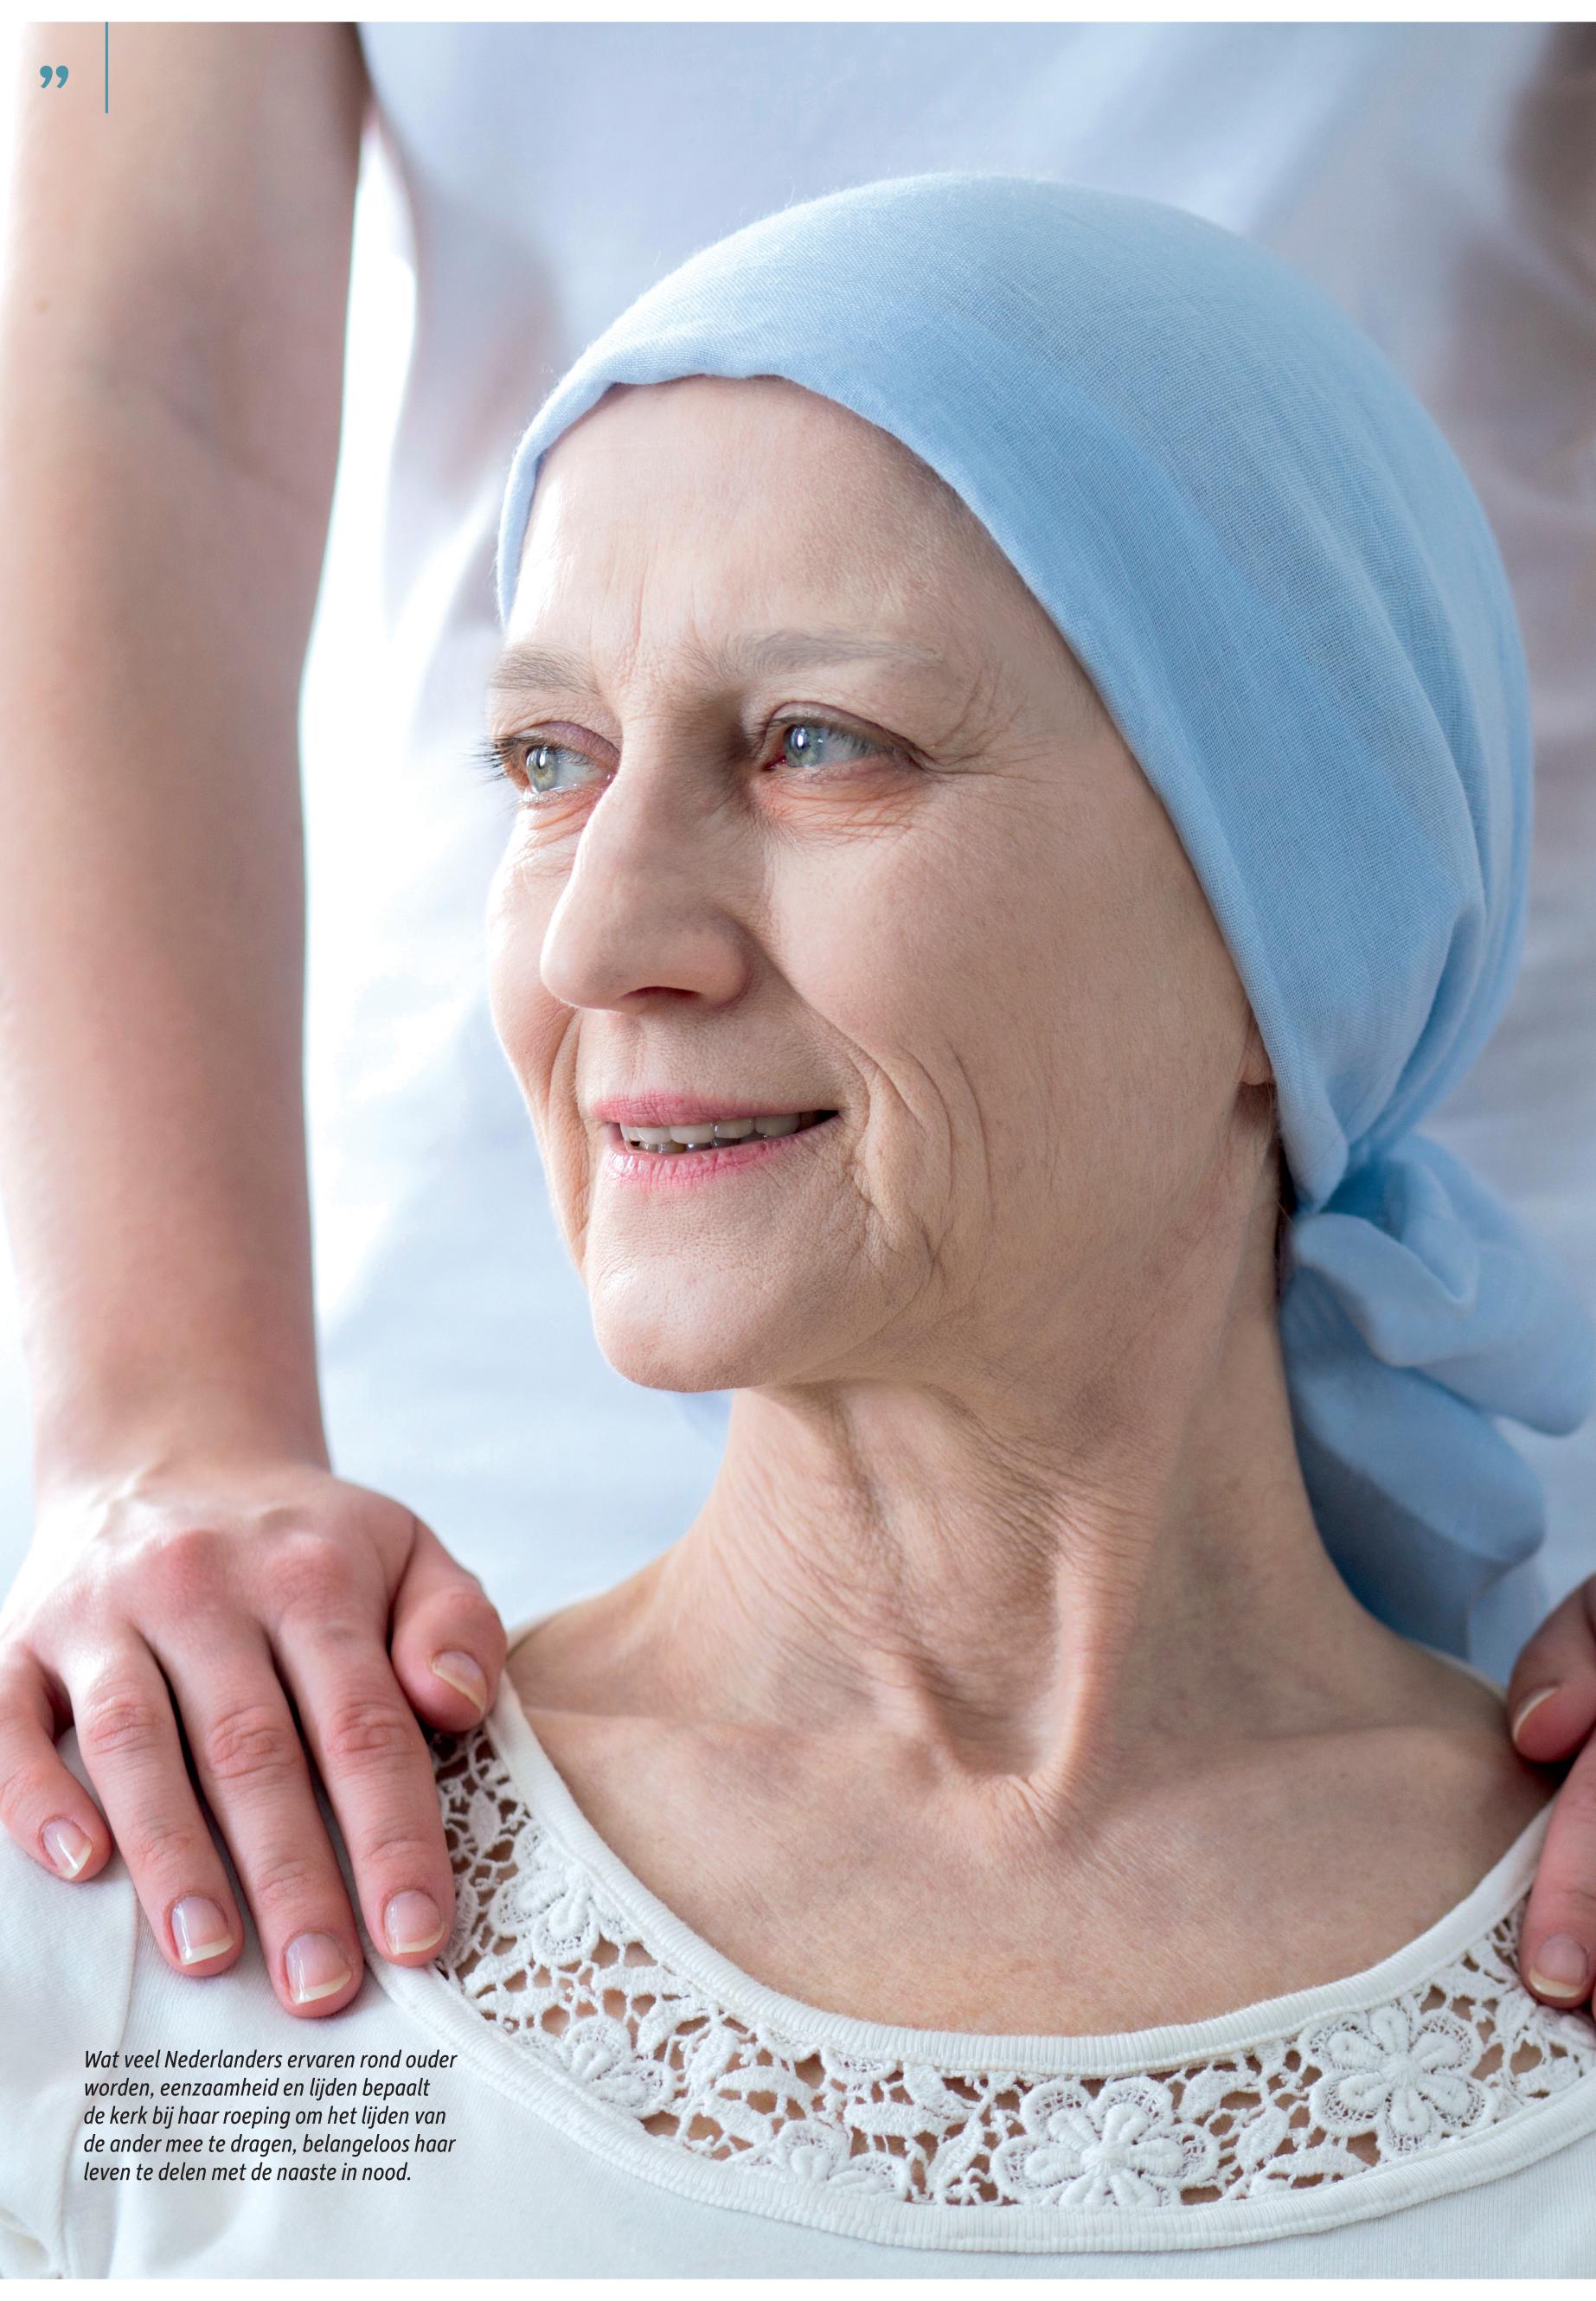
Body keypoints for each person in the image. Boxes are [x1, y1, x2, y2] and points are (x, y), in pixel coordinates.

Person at [4, 174, 1595, 2279]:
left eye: (815, 744)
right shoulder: (145, 1909)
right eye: (546, 759)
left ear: (1291, 937)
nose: (595, 936)